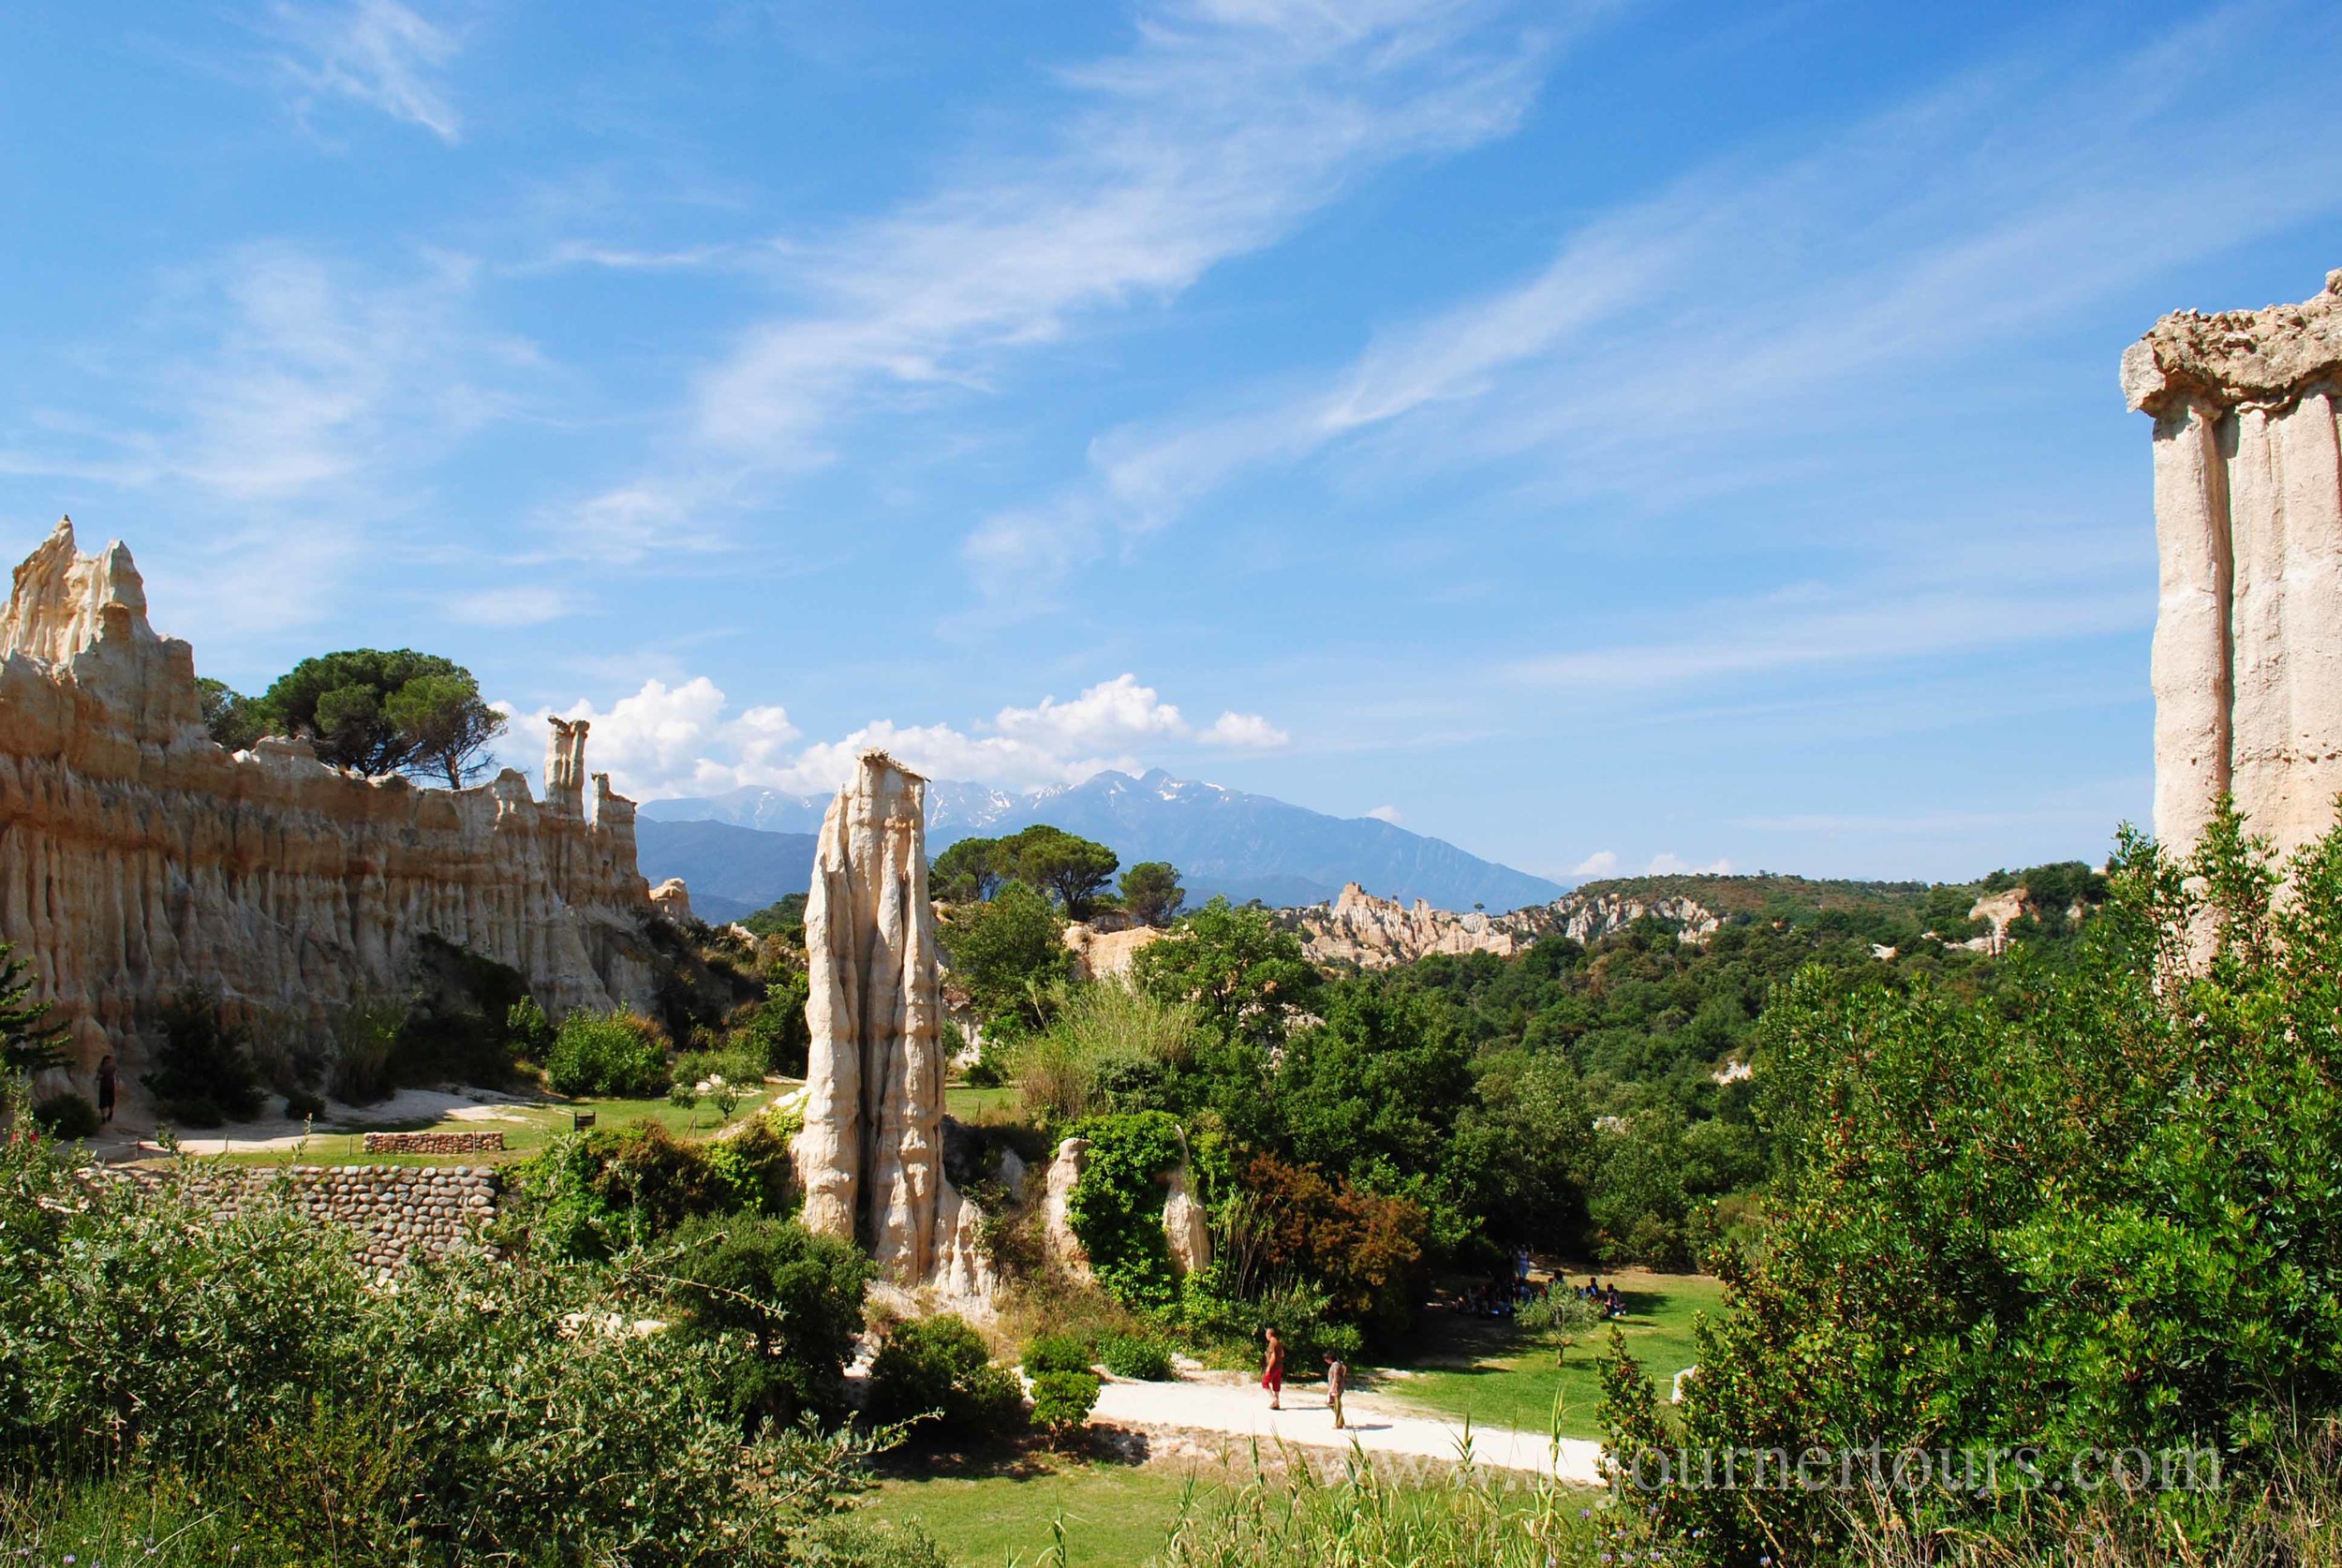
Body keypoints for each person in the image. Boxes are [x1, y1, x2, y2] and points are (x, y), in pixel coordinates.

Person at [1261, 1326, 1285, 1411]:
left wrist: (1269, 1367)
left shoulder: (1272, 1342)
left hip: (1274, 1367)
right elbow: (1282, 1355)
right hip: (1280, 1366)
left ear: (1269, 1334)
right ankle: (1277, 1403)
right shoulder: (1278, 1342)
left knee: (1264, 1383)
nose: (1265, 1335)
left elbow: (1274, 1357)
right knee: (1276, 1384)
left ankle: (1274, 1400)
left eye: (1266, 1334)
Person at [1324, 1350, 1348, 1429]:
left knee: (1336, 1405)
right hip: (1337, 1387)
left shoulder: (1335, 1365)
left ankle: (1339, 1423)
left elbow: (1335, 1377)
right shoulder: (1338, 1363)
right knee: (1334, 1404)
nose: (1325, 1360)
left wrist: (1332, 1388)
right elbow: (1345, 1368)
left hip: (1336, 1388)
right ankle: (1340, 1420)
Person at [95, 1055, 116, 1126]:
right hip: (105, 1087)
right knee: (103, 1103)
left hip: (109, 1087)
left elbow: (115, 1075)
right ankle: (104, 1117)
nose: (108, 1063)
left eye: (109, 1061)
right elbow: (98, 1077)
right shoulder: (103, 1068)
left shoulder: (109, 1068)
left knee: (110, 1102)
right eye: (107, 1061)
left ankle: (110, 1113)